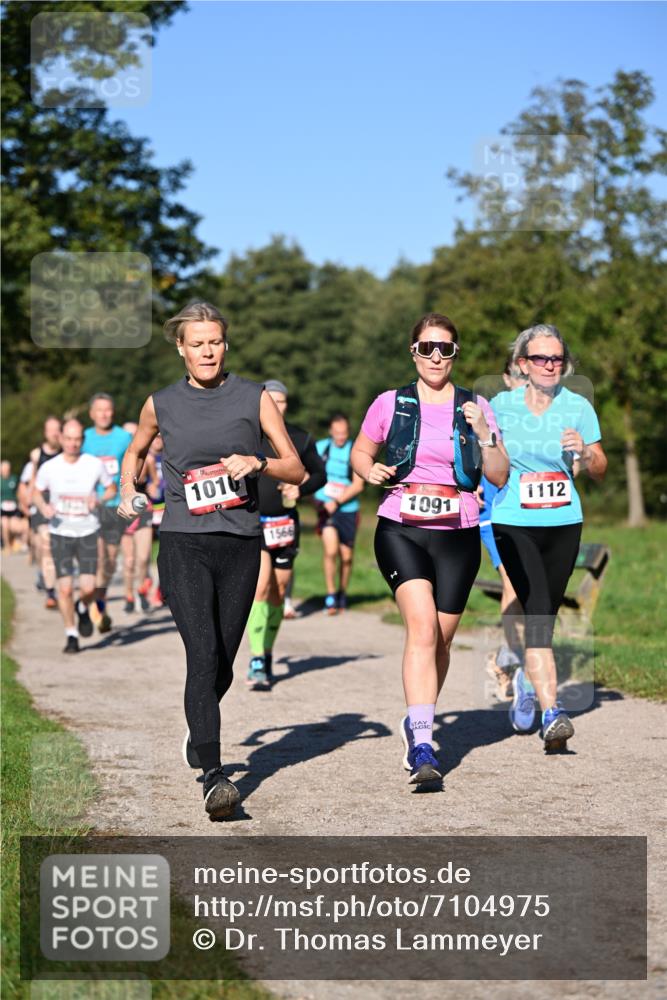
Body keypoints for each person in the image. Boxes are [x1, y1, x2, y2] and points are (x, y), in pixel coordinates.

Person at [117, 301, 304, 820]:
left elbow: (295, 470)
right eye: (196, 342)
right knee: (201, 654)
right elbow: (135, 451)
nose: (206, 350)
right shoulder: (160, 403)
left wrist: (258, 461)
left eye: (214, 342)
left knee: (221, 659)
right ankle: (214, 776)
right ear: (181, 347)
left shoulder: (255, 397)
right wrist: (124, 487)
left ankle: (198, 730)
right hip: (183, 541)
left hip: (241, 543)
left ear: (225, 345)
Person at [351, 312, 508, 788]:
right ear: (413, 351)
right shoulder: (389, 403)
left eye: (444, 349)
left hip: (458, 531)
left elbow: (499, 475)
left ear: (455, 353)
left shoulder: (476, 406)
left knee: (440, 641)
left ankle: (417, 718)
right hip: (401, 527)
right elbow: (361, 452)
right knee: (421, 631)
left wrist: (485, 432)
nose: (435, 357)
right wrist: (368, 470)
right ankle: (423, 743)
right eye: (426, 348)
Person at [491, 323, 607, 751]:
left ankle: (527, 677)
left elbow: (599, 467)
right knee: (537, 608)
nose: (549, 365)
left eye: (556, 358)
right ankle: (554, 712)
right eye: (540, 358)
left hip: (563, 523)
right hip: (513, 520)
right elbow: (489, 468)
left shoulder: (577, 406)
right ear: (523, 364)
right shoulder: (499, 406)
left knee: (545, 614)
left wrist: (588, 452)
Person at [245, 379, 326, 689]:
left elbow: (319, 474)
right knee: (261, 585)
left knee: (279, 588)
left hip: (284, 523)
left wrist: (300, 487)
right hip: (253, 522)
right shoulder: (247, 436)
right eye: (271, 401)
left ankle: (266, 652)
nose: (276, 407)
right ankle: (255, 656)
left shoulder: (300, 438)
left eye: (281, 402)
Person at [32, 419, 115, 653]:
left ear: (82, 440)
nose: (72, 443)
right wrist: (43, 507)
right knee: (65, 588)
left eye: (77, 439)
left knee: (88, 588)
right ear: (61, 439)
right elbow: (36, 492)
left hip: (88, 531)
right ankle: (71, 634)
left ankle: (82, 607)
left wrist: (99, 499)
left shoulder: (93, 464)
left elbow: (110, 488)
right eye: (68, 438)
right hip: (60, 532)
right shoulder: (50, 467)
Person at [478, 361, 527, 700]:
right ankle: (517, 660)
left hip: (529, 516)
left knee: (526, 586)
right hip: (493, 513)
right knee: (512, 579)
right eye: (518, 375)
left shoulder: (541, 419)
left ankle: (506, 660)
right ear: (507, 379)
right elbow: (463, 450)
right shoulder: (491, 415)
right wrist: (468, 484)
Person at [82, 394, 132, 632]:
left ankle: (99, 599)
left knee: (110, 560)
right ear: (91, 413)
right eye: (99, 410)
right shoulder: (84, 439)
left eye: (108, 410)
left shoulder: (124, 437)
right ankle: (89, 600)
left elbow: (135, 465)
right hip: (91, 507)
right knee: (99, 556)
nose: (104, 414)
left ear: (113, 412)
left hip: (115, 507)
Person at [314, 414, 365, 613]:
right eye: (337, 434)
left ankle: (343, 591)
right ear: (331, 431)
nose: (340, 437)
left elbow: (358, 485)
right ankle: (331, 594)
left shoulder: (355, 450)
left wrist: (337, 501)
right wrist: (316, 500)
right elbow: (310, 475)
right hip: (325, 508)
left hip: (348, 509)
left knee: (346, 557)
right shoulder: (321, 448)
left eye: (343, 434)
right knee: (331, 551)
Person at [26, 417, 62, 608]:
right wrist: (29, 503)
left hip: (61, 503)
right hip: (41, 503)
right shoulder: (37, 454)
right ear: (45, 432)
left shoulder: (66, 452)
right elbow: (33, 481)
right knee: (45, 545)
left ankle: (49, 578)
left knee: (53, 548)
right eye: (51, 430)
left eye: (58, 430)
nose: (55, 434)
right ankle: (50, 592)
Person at [1, 460, 28, 552]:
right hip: (2, 508)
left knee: (22, 525)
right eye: (3, 468)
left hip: (14, 508)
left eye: (7, 468)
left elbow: (19, 493)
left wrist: (22, 504)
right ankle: (7, 546)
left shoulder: (14, 479)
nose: (5, 470)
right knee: (5, 524)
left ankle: (19, 542)